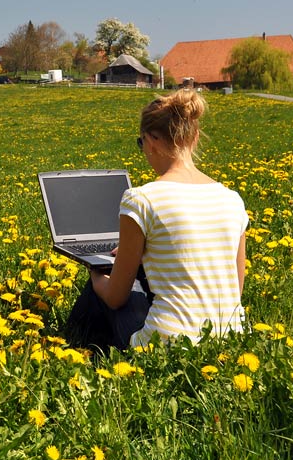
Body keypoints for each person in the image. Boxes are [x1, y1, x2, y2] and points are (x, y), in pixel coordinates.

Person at [65, 87, 247, 350]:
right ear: (194, 137)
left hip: (166, 347)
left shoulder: (141, 199)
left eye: (141, 144)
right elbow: (234, 289)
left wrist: (96, 274)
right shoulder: (232, 200)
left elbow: (115, 298)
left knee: (106, 287)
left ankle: (69, 344)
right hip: (228, 341)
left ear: (150, 141)